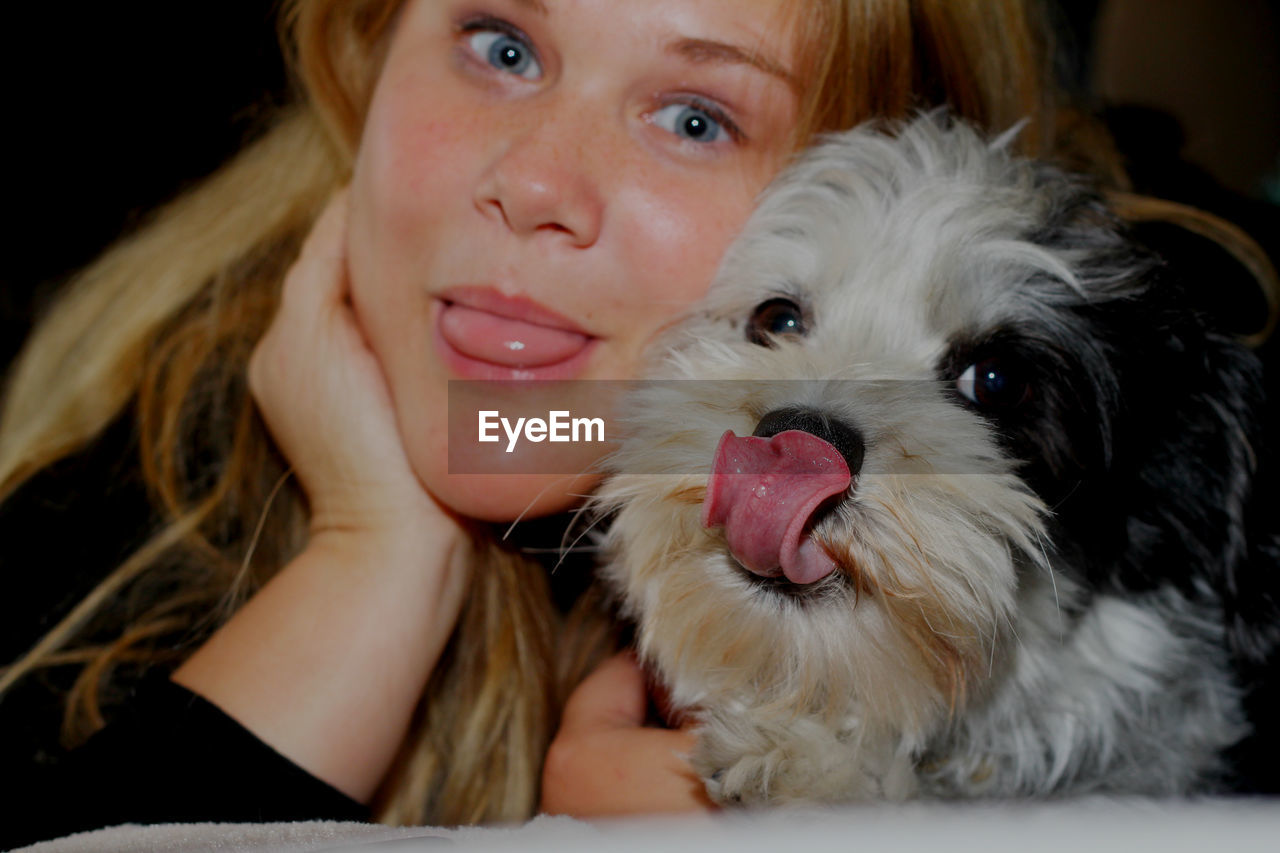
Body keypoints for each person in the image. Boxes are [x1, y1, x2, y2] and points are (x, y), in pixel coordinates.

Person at [0, 0, 1125, 847]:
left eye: (696, 118)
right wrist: (371, 559)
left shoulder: (1096, 629)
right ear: (368, 58)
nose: (535, 182)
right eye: (501, 47)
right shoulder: (112, 499)